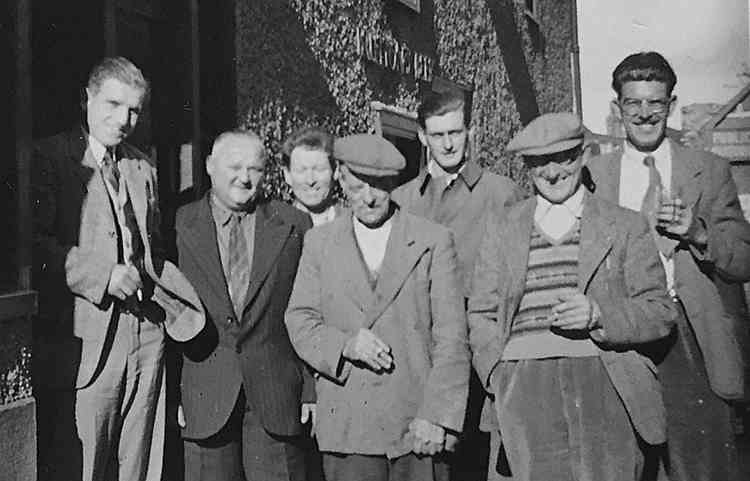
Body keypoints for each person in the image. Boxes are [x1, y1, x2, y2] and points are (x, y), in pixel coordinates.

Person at [468, 112, 677, 481]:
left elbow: (659, 311)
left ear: (582, 155)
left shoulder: (625, 224)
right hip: (524, 385)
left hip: (605, 381)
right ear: (527, 167)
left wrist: (599, 314)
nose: (551, 173)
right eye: (538, 163)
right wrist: (498, 375)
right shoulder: (503, 228)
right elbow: (482, 312)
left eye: (562, 158)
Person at [32, 56, 205, 481]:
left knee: (142, 459)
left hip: (145, 331)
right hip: (91, 334)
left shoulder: (141, 165)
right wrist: (102, 276)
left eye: (133, 110)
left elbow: (153, 248)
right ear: (86, 98)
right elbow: (32, 247)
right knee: (88, 461)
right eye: (112, 104)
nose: (123, 119)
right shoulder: (51, 157)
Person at [586, 51, 750, 481]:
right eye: (633, 103)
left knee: (701, 466)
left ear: (671, 104)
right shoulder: (593, 177)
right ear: (618, 108)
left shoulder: (709, 171)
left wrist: (697, 233)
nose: (644, 114)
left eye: (655, 103)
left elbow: (743, 258)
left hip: (688, 338)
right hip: (620, 335)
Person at [285, 134, 470, 481]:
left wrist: (438, 416)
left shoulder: (432, 240)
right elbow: (299, 320)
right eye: (357, 187)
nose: (369, 198)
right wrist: (346, 345)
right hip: (349, 428)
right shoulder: (319, 243)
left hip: (416, 426)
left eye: (380, 187)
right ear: (340, 177)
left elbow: (452, 339)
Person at [392, 89, 524, 481]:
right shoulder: (402, 201)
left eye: (456, 132)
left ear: (470, 132)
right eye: (438, 135)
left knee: (473, 467)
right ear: (422, 136)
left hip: (477, 359)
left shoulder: (501, 195)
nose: (448, 144)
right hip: (417, 358)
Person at [176, 130, 314, 481]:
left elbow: (310, 309)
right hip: (205, 393)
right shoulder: (179, 224)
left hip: (276, 394)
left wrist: (309, 389)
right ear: (209, 166)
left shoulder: (293, 224)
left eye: (255, 168)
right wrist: (173, 394)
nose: (245, 177)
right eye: (234, 166)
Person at [282, 126, 345, 225]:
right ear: (287, 175)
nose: (310, 180)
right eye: (301, 171)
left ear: (336, 171)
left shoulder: (352, 223)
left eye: (319, 169)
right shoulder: (276, 228)